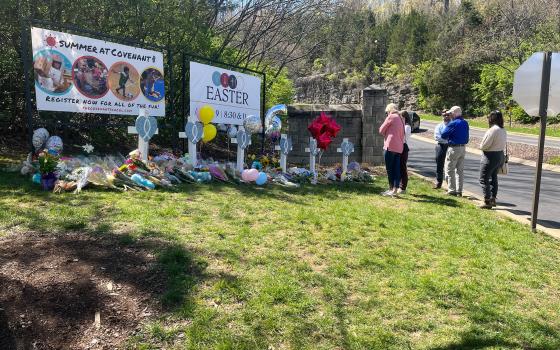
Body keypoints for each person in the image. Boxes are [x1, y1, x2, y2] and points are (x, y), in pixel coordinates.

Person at [479, 110, 507, 209]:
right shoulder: (502, 129)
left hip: (490, 156)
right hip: (500, 155)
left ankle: (487, 201)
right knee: (493, 177)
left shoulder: (493, 130)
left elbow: (484, 145)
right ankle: (493, 198)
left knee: (483, 178)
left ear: (492, 118)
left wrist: (480, 146)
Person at [441, 106, 469, 196]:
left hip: (454, 148)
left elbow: (443, 135)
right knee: (460, 171)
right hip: (463, 148)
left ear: (455, 113)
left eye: (451, 113)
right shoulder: (465, 123)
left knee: (450, 169)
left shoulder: (453, 123)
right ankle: (459, 191)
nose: (449, 115)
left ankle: (452, 190)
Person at [379, 103, 405, 197]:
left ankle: (390, 189)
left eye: (387, 112)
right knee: (396, 169)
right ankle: (395, 190)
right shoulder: (401, 118)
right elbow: (403, 134)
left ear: (389, 110)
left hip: (390, 146)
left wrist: (387, 133)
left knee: (390, 169)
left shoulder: (391, 116)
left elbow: (381, 130)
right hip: (399, 147)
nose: (387, 114)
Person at [433, 110, 451, 189]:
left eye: (447, 115)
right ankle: (439, 182)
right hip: (440, 146)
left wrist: (444, 138)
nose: (446, 116)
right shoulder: (439, 126)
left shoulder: (453, 125)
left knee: (450, 165)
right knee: (439, 163)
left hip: (450, 146)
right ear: (442, 116)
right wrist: (446, 139)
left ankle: (450, 184)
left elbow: (453, 137)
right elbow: (437, 137)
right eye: (444, 115)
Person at [399, 110, 412, 194]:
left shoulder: (406, 127)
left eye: (400, 117)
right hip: (400, 146)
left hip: (403, 146)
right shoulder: (403, 125)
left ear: (404, 117)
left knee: (403, 167)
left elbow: (403, 138)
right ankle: (400, 185)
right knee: (399, 167)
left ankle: (403, 187)